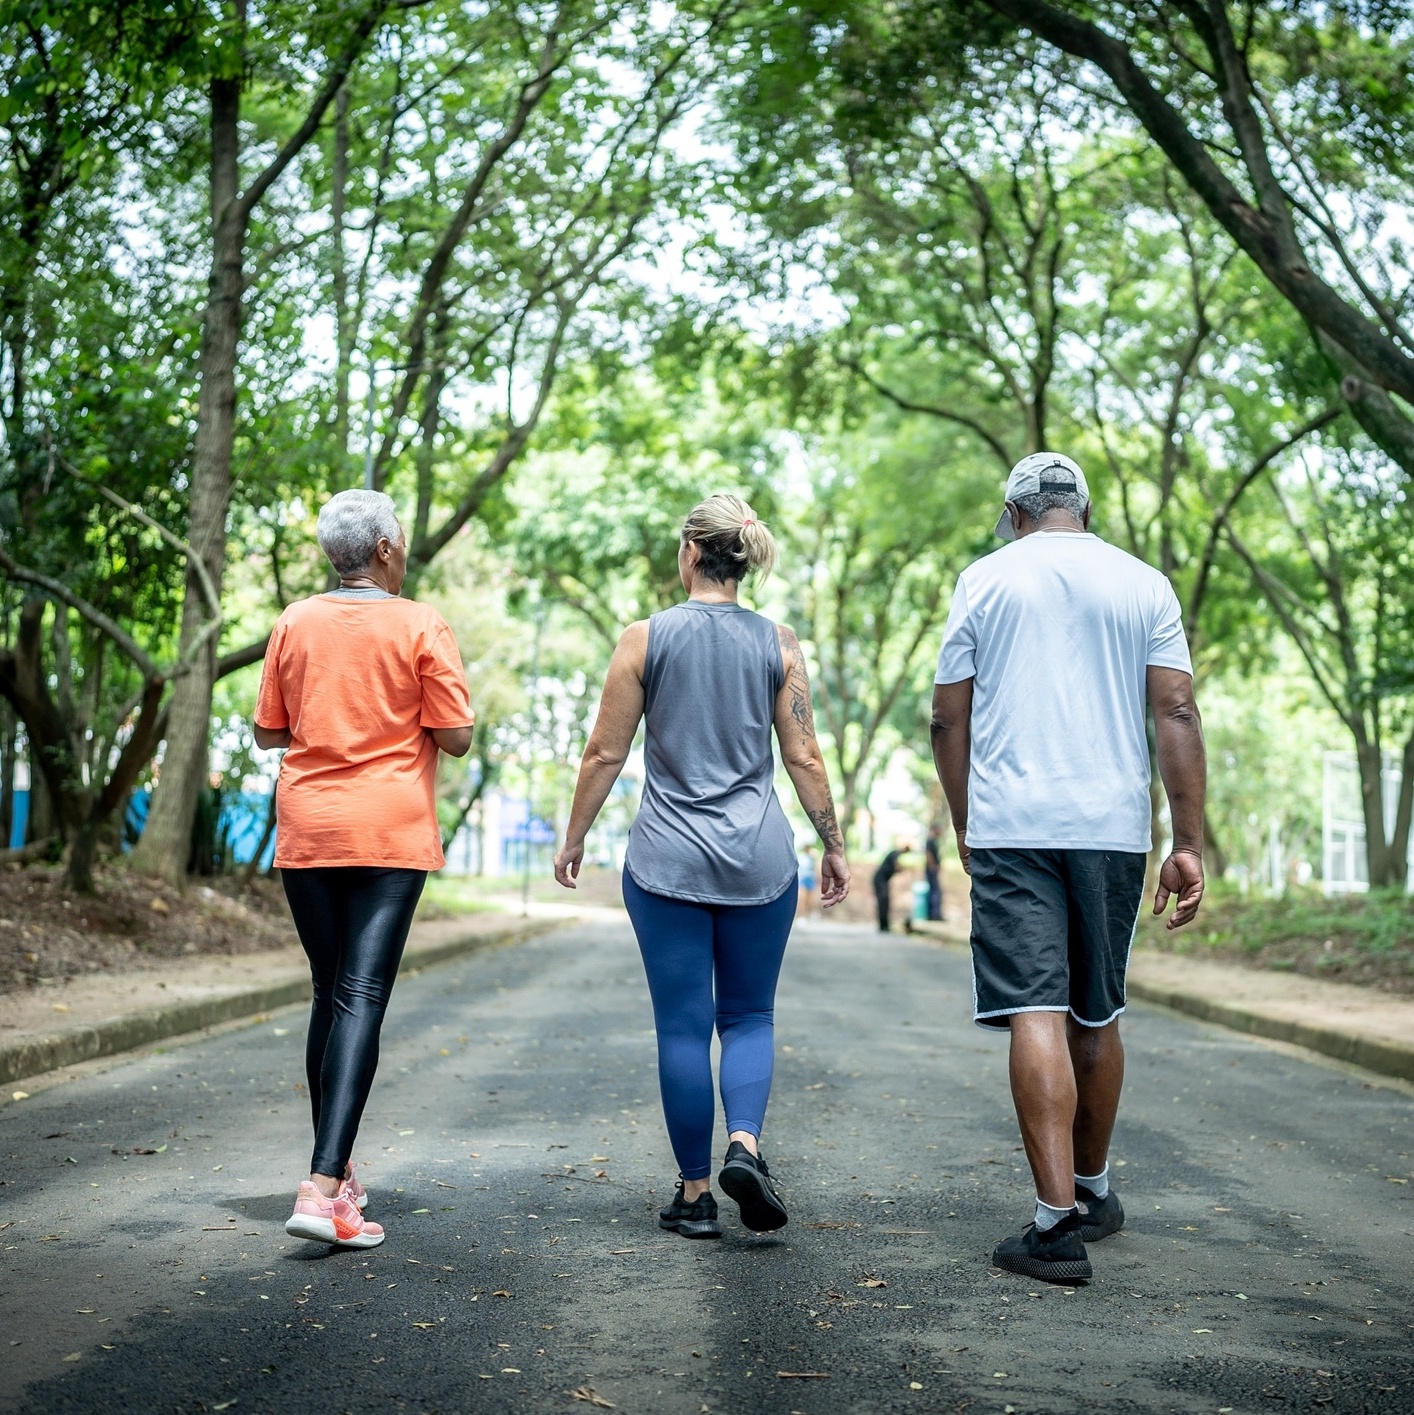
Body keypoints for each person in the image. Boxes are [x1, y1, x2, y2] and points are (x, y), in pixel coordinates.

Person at [930, 452, 1205, 1285]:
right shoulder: (1144, 582)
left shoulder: (984, 579)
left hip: (1015, 824)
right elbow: (1177, 707)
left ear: (1014, 513)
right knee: (1097, 1008)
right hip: (1113, 828)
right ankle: (1094, 1191)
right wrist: (1186, 839)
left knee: (1035, 1008)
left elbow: (948, 716)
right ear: (1082, 509)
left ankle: (1054, 1228)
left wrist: (967, 820)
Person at [553, 494, 850, 1239]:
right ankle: (744, 1143)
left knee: (682, 1027)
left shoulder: (643, 639)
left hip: (666, 862)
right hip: (760, 861)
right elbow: (804, 753)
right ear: (742, 558)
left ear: (690, 552)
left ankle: (693, 1195)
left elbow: (604, 752)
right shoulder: (779, 643)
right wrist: (833, 844)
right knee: (748, 1014)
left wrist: (574, 837)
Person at [254, 489, 473, 1250]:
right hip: (386, 832)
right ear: (382, 549)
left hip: (309, 828)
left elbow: (266, 730)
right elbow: (455, 737)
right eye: (402, 538)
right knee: (361, 993)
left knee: (330, 991)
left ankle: (336, 1169)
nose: (406, 547)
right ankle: (320, 1187)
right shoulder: (419, 622)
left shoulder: (294, 620)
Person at [872, 844, 909, 933]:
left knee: (885, 901)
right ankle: (883, 925)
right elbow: (897, 866)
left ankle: (885, 925)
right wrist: (903, 869)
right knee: (883, 901)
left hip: (884, 881)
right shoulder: (895, 853)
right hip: (880, 880)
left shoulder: (895, 855)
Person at [925, 824, 944, 922]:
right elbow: (928, 854)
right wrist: (932, 865)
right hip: (931, 870)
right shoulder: (930, 840)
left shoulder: (933, 840)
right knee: (935, 891)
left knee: (935, 891)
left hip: (932, 869)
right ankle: (934, 915)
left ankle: (934, 914)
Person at [797, 845, 819, 920]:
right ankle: (801, 916)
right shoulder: (801, 857)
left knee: (811, 898)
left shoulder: (812, 857)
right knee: (802, 898)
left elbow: (815, 867)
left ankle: (813, 913)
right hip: (803, 878)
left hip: (811, 878)